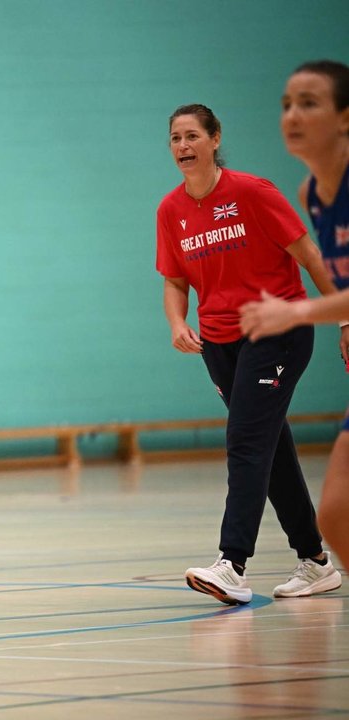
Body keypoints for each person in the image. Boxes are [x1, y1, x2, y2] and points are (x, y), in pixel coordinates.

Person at [155, 103, 342, 605]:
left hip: (277, 331)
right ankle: (316, 561)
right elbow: (175, 281)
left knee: (244, 438)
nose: (183, 146)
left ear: (216, 139)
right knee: (269, 446)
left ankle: (232, 563)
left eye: (192, 135)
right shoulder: (171, 211)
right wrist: (177, 322)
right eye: (175, 138)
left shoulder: (253, 193)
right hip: (219, 343)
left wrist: (342, 316)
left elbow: (308, 254)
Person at [240, 59, 349, 571]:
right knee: (336, 515)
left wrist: (298, 313)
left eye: (309, 103)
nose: (292, 115)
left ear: (344, 117)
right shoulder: (312, 194)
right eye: (286, 104)